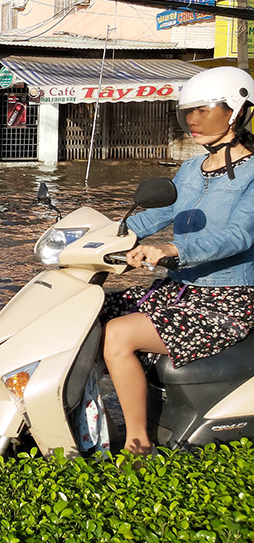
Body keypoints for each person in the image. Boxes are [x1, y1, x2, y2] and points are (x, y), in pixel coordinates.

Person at [103, 66, 254, 456]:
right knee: (88, 312)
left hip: (226, 301)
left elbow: (239, 235)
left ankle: (137, 446)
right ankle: (89, 414)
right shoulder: (191, 170)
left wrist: (172, 250)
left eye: (204, 110)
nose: (192, 120)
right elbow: (151, 217)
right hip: (178, 291)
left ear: (236, 111)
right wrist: (97, 233)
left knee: (120, 334)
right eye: (188, 111)